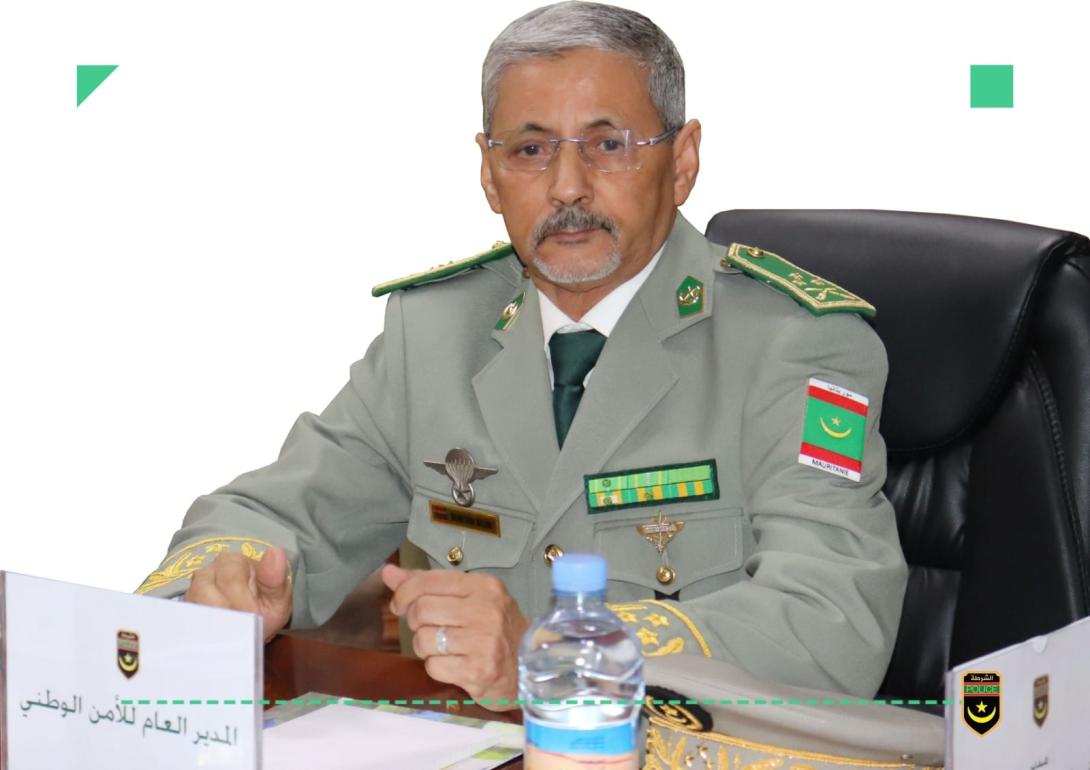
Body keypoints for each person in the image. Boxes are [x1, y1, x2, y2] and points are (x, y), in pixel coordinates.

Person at [138, 0, 907, 710]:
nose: (567, 187)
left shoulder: (796, 343)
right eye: (531, 149)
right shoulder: (434, 331)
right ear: (488, 171)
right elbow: (277, 511)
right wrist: (227, 587)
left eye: (608, 145)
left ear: (682, 161)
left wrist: (558, 655)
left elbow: (832, 620)